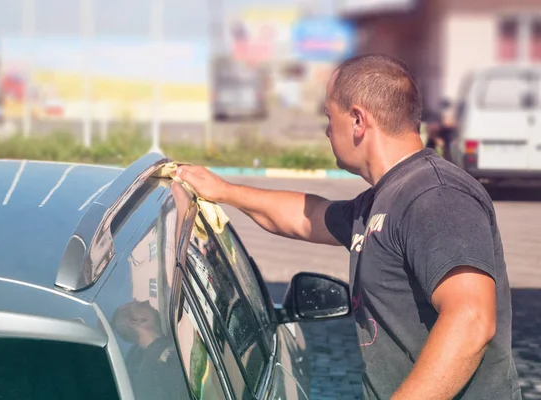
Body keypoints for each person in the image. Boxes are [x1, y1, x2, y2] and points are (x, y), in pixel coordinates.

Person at [176, 54, 521, 400]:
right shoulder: (382, 199)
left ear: (358, 120)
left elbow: (471, 320)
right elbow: (306, 216)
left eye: (329, 116)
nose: (327, 131)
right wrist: (225, 191)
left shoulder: (436, 195)